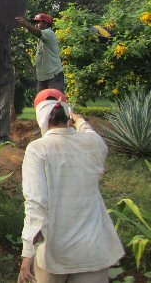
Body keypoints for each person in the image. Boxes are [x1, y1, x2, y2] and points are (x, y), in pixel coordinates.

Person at [18, 89, 124, 283]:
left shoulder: (38, 149)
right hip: (93, 250)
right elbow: (88, 131)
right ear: (67, 114)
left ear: (40, 117)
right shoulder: (94, 144)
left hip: (55, 250)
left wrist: (27, 254)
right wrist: (78, 119)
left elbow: (36, 204)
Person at [15, 13, 64, 93]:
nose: (36, 25)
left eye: (38, 22)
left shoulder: (49, 33)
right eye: (35, 23)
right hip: (42, 77)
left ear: (46, 23)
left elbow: (37, 32)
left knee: (55, 102)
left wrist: (26, 24)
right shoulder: (42, 39)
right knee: (42, 103)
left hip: (53, 75)